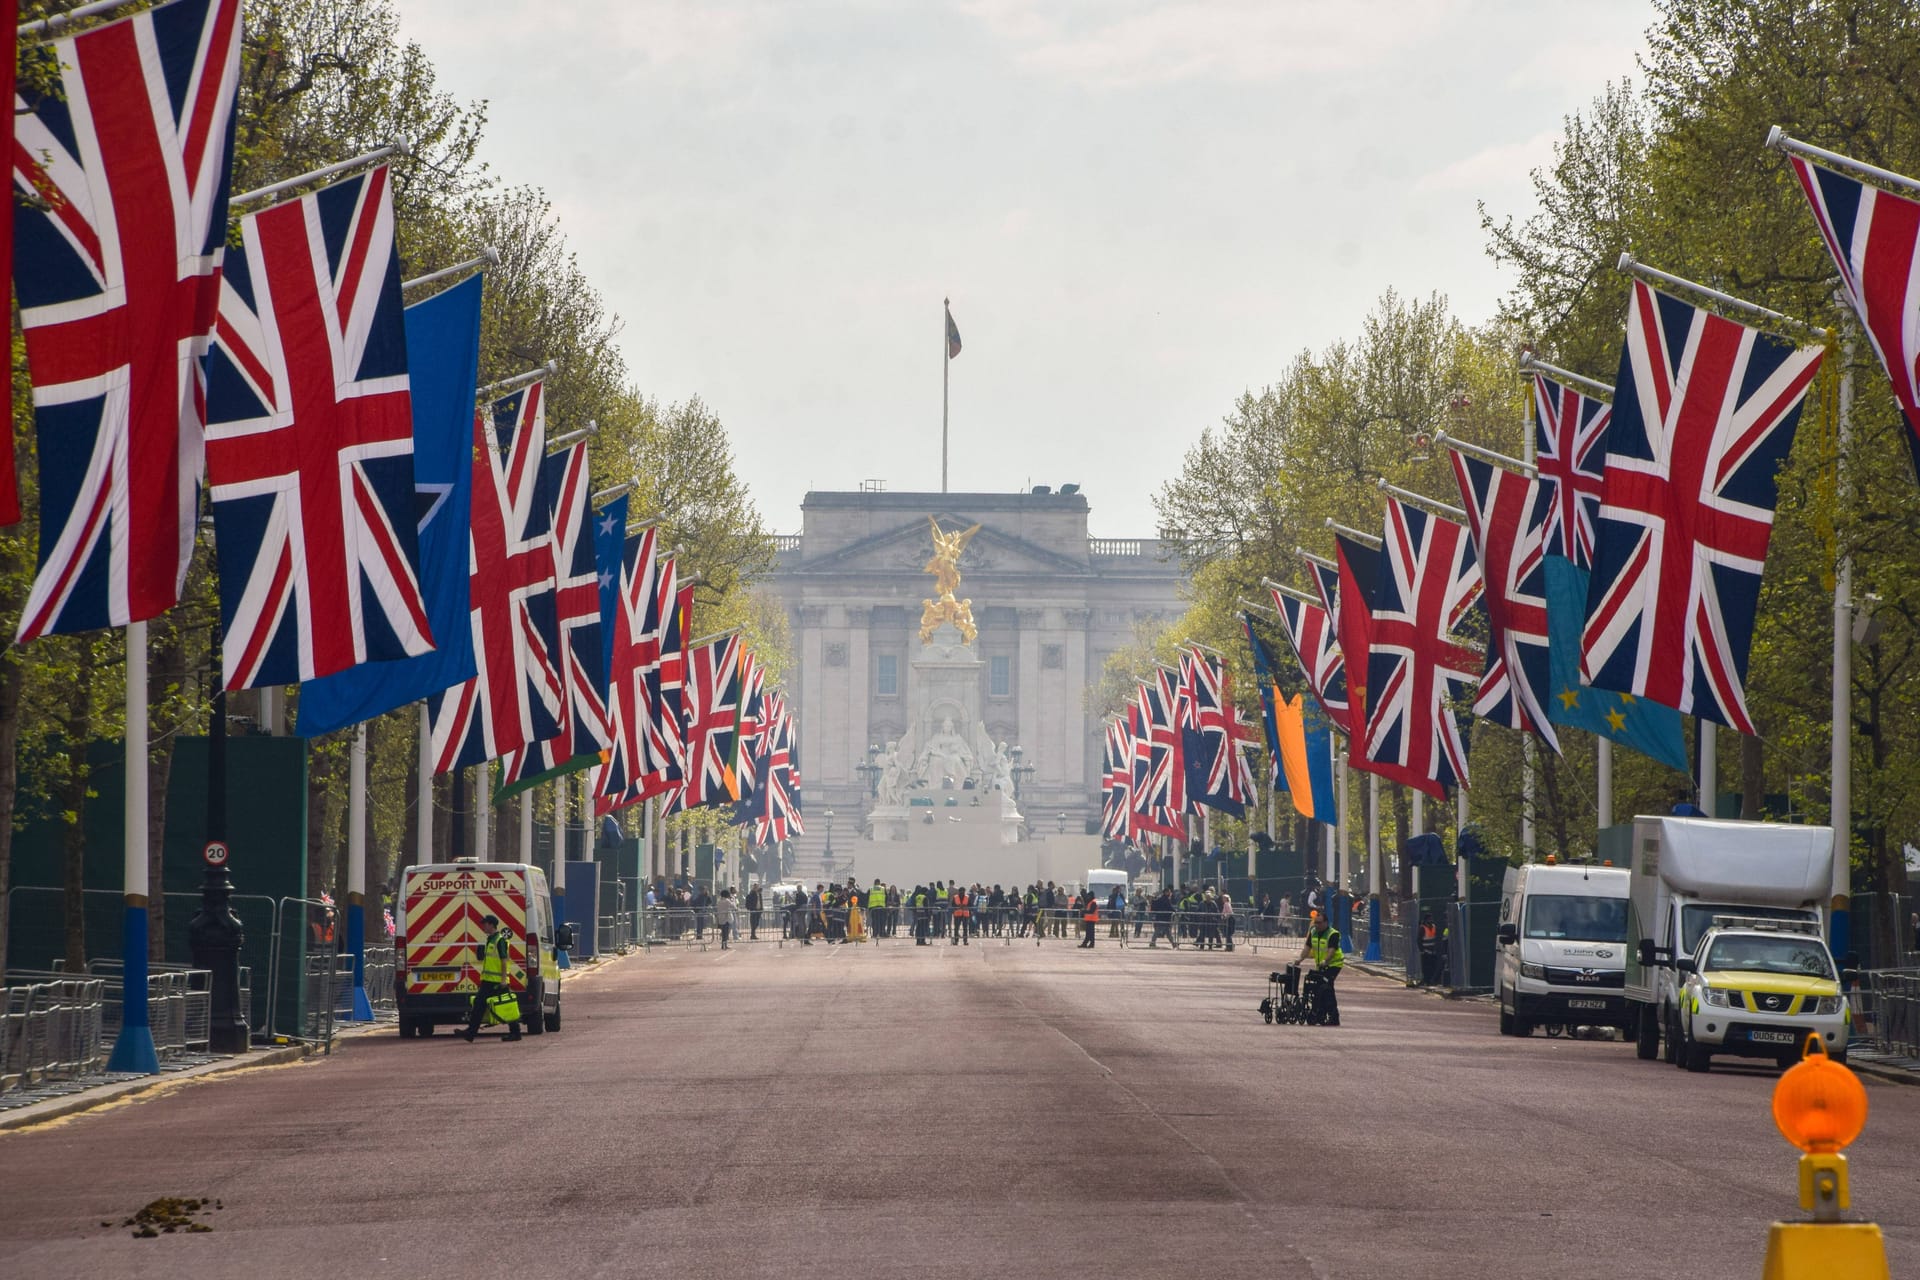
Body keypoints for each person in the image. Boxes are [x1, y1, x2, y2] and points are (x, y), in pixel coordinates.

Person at [462, 912, 521, 1042]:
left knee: (506, 1006)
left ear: (491, 925)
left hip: (497, 981)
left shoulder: (499, 940)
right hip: (489, 980)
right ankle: (471, 1033)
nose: (483, 927)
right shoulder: (491, 939)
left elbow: (504, 960)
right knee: (480, 1004)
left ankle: (515, 1032)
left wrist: (504, 980)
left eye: (485, 924)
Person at [1297, 910, 1344, 1027]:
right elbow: (1307, 948)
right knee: (1319, 989)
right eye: (1315, 923)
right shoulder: (1313, 932)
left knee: (1326, 988)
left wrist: (1325, 961)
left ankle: (1333, 1017)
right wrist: (1299, 959)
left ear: (1326, 923)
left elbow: (1331, 951)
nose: (1316, 925)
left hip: (1334, 964)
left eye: (1319, 923)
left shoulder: (1333, 934)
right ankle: (1320, 1014)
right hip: (1321, 966)